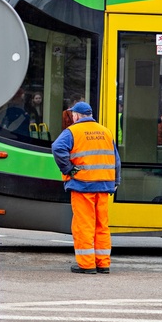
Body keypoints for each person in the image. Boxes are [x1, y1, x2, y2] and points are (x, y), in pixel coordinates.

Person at [51, 101, 121, 275]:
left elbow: (57, 148)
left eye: (72, 114)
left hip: (83, 185)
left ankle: (87, 264)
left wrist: (68, 169)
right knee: (101, 225)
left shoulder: (72, 131)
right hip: (104, 185)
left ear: (76, 115)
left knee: (84, 225)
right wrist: (115, 180)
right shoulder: (106, 131)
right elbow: (116, 160)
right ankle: (103, 263)